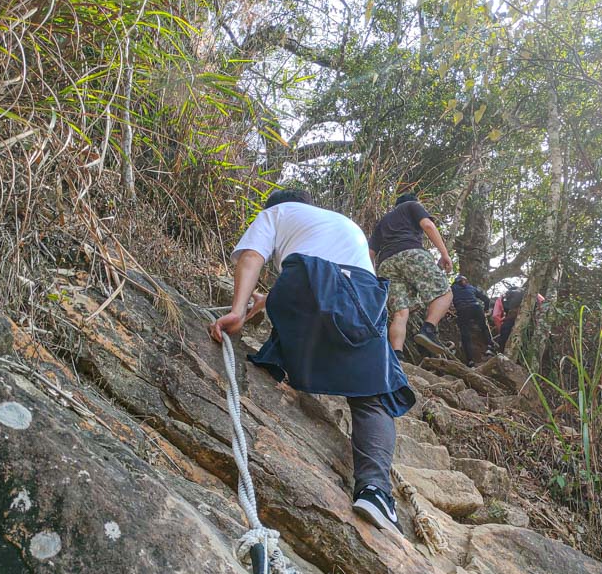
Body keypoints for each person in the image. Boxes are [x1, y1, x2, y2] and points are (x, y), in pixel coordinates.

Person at [208, 189, 415, 536]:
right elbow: (339, 280)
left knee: (297, 312)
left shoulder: (277, 213)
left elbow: (253, 257)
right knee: (373, 394)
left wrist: (238, 309)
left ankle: (273, 365)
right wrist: (260, 305)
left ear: (277, 205)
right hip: (364, 295)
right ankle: (375, 492)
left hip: (302, 283)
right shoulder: (343, 224)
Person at [368, 193, 453, 359]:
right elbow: (428, 225)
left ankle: (397, 356)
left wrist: (372, 277)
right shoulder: (412, 206)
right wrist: (444, 254)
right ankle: (428, 330)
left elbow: (370, 253)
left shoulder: (383, 221)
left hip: (385, 264)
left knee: (400, 313)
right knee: (445, 293)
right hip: (411, 253)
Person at [451, 275, 495, 365]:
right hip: (476, 307)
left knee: (465, 334)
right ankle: (490, 347)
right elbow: (486, 299)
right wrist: (486, 309)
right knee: (484, 327)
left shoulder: (453, 288)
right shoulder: (471, 287)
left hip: (462, 310)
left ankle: (470, 360)